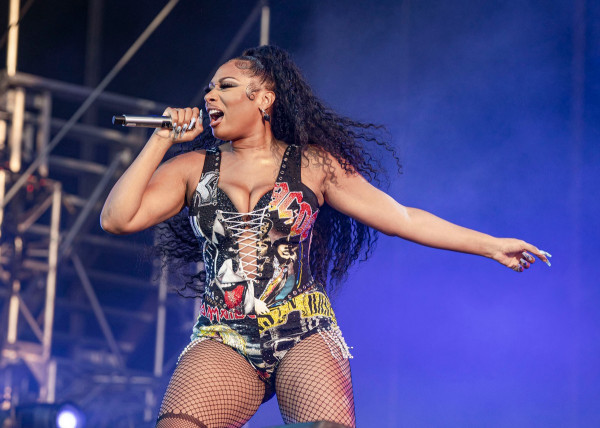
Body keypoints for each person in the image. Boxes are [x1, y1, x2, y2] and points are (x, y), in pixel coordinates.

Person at [100, 45, 551, 428]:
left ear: (264, 99)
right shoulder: (191, 168)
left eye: (225, 86)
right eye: (209, 89)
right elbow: (117, 219)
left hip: (303, 330)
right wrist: (160, 141)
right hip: (223, 334)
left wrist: (491, 245)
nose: (209, 95)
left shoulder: (314, 165)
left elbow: (402, 218)